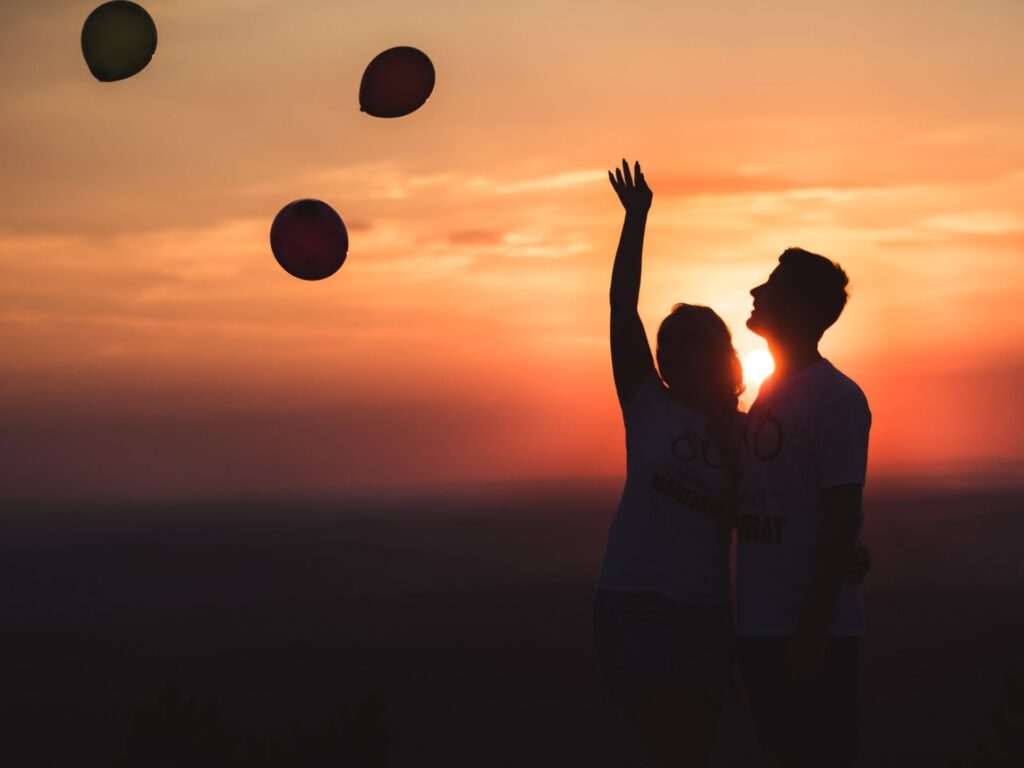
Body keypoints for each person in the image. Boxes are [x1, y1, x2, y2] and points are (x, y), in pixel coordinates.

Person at [594, 160, 744, 767]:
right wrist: (636, 220)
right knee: (670, 736)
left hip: (705, 610)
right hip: (636, 602)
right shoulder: (646, 405)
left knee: (694, 748)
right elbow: (621, 307)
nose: (669, 349)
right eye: (665, 341)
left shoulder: (747, 435)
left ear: (719, 354)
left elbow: (775, 513)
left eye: (686, 340)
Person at [736, 248, 871, 767]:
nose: (756, 292)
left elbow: (842, 516)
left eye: (771, 286)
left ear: (797, 308)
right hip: (763, 625)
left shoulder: (835, 397)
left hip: (810, 632)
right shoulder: (771, 392)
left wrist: (811, 629)